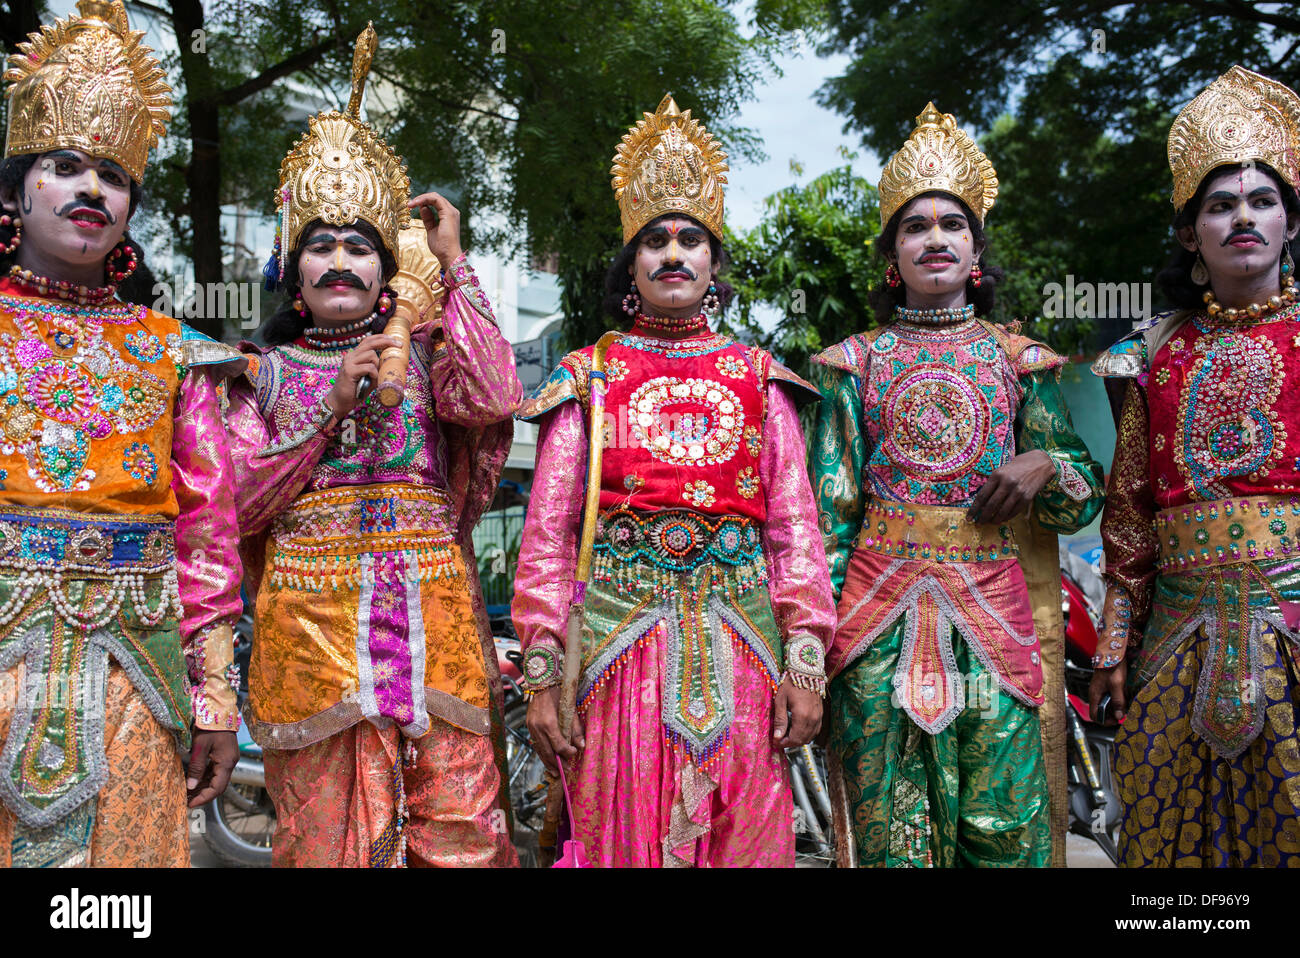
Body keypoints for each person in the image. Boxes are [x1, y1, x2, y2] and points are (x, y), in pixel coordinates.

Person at [512, 94, 836, 867]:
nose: (673, 252)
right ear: (631, 265)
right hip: (621, 651)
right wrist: (542, 671)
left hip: (746, 648)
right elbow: (549, 538)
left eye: (692, 238)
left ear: (714, 265)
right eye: (654, 239)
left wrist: (806, 664)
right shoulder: (587, 377)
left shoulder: (762, 379)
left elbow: (794, 531)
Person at [225, 25, 521, 867]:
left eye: (360, 246)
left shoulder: (426, 360)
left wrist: (456, 265)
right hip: (308, 636)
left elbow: (498, 396)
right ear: (292, 267)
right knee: (325, 843)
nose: (341, 262)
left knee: (461, 833)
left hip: (436, 620)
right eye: (321, 245)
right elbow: (233, 505)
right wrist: (329, 410)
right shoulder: (258, 373)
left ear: (388, 269)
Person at [811, 103, 1105, 867]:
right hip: (875, 620)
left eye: (952, 224)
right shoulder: (853, 363)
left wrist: (1048, 463)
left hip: (996, 620)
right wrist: (805, 657)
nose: (935, 237)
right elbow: (826, 517)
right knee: (891, 833)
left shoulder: (1021, 362)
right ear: (892, 256)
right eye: (915, 226)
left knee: (1002, 828)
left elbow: (1083, 495)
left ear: (975, 250)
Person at [0, 0, 244, 867]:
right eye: (65, 166)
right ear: (14, 191)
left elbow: (209, 537)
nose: (93, 190)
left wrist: (216, 702)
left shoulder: (176, 353)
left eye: (114, 175)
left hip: (138, 670)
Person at [1091, 65, 1300, 867]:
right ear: (1190, 234)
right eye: (1220, 205)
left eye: (1262, 201)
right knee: (1174, 845)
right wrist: (1113, 647)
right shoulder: (1150, 352)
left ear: (1289, 222)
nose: (1242, 218)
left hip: (1291, 621)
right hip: (1178, 636)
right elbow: (1131, 513)